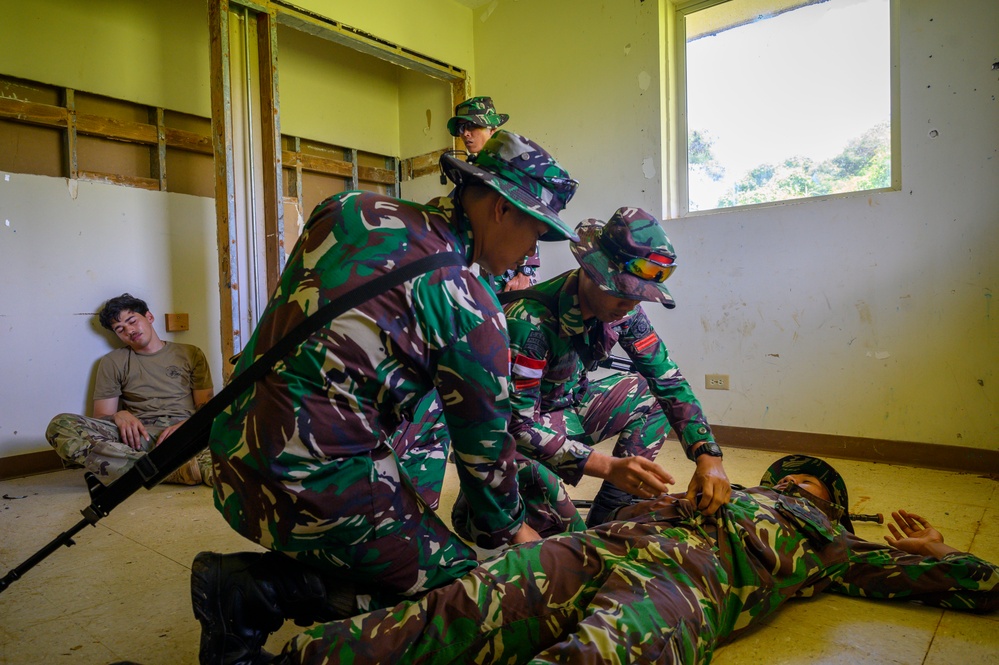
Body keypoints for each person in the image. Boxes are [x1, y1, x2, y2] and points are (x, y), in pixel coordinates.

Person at [193, 130, 580, 665]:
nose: (533, 251)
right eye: (536, 232)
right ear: (500, 208)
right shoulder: (470, 307)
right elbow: (486, 456)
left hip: (233, 451)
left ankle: (254, 584)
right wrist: (516, 532)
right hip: (312, 484)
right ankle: (261, 597)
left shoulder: (347, 207)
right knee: (463, 599)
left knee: (404, 539)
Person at [262, 454, 999, 664]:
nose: (787, 484)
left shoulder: (832, 544)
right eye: (782, 476)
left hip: (688, 587)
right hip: (602, 545)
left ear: (827, 505)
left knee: (596, 658)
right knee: (450, 611)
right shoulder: (720, 487)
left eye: (805, 484)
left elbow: (965, 586)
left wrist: (942, 553)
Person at [453, 207, 731, 540]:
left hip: (567, 409)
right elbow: (516, 425)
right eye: (622, 291)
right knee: (571, 545)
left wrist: (708, 454)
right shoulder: (529, 321)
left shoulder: (621, 311)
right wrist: (607, 467)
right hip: (518, 434)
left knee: (648, 394)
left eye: (638, 295)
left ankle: (611, 512)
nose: (630, 304)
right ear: (590, 270)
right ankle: (476, 513)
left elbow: (667, 379)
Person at [45, 293, 214, 486]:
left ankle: (157, 467)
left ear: (149, 317)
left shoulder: (190, 353)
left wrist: (189, 425)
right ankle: (165, 470)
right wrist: (118, 415)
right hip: (137, 439)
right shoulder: (112, 362)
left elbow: (208, 407)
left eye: (132, 321)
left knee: (228, 473)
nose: (130, 330)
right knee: (60, 426)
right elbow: (101, 415)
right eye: (120, 329)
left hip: (186, 434)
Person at [447, 95, 538, 293]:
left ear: (492, 130)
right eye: (462, 128)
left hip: (513, 272)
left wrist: (526, 272)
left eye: (473, 126)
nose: (466, 134)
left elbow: (532, 217)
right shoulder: (471, 173)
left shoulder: (510, 167)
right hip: (484, 270)